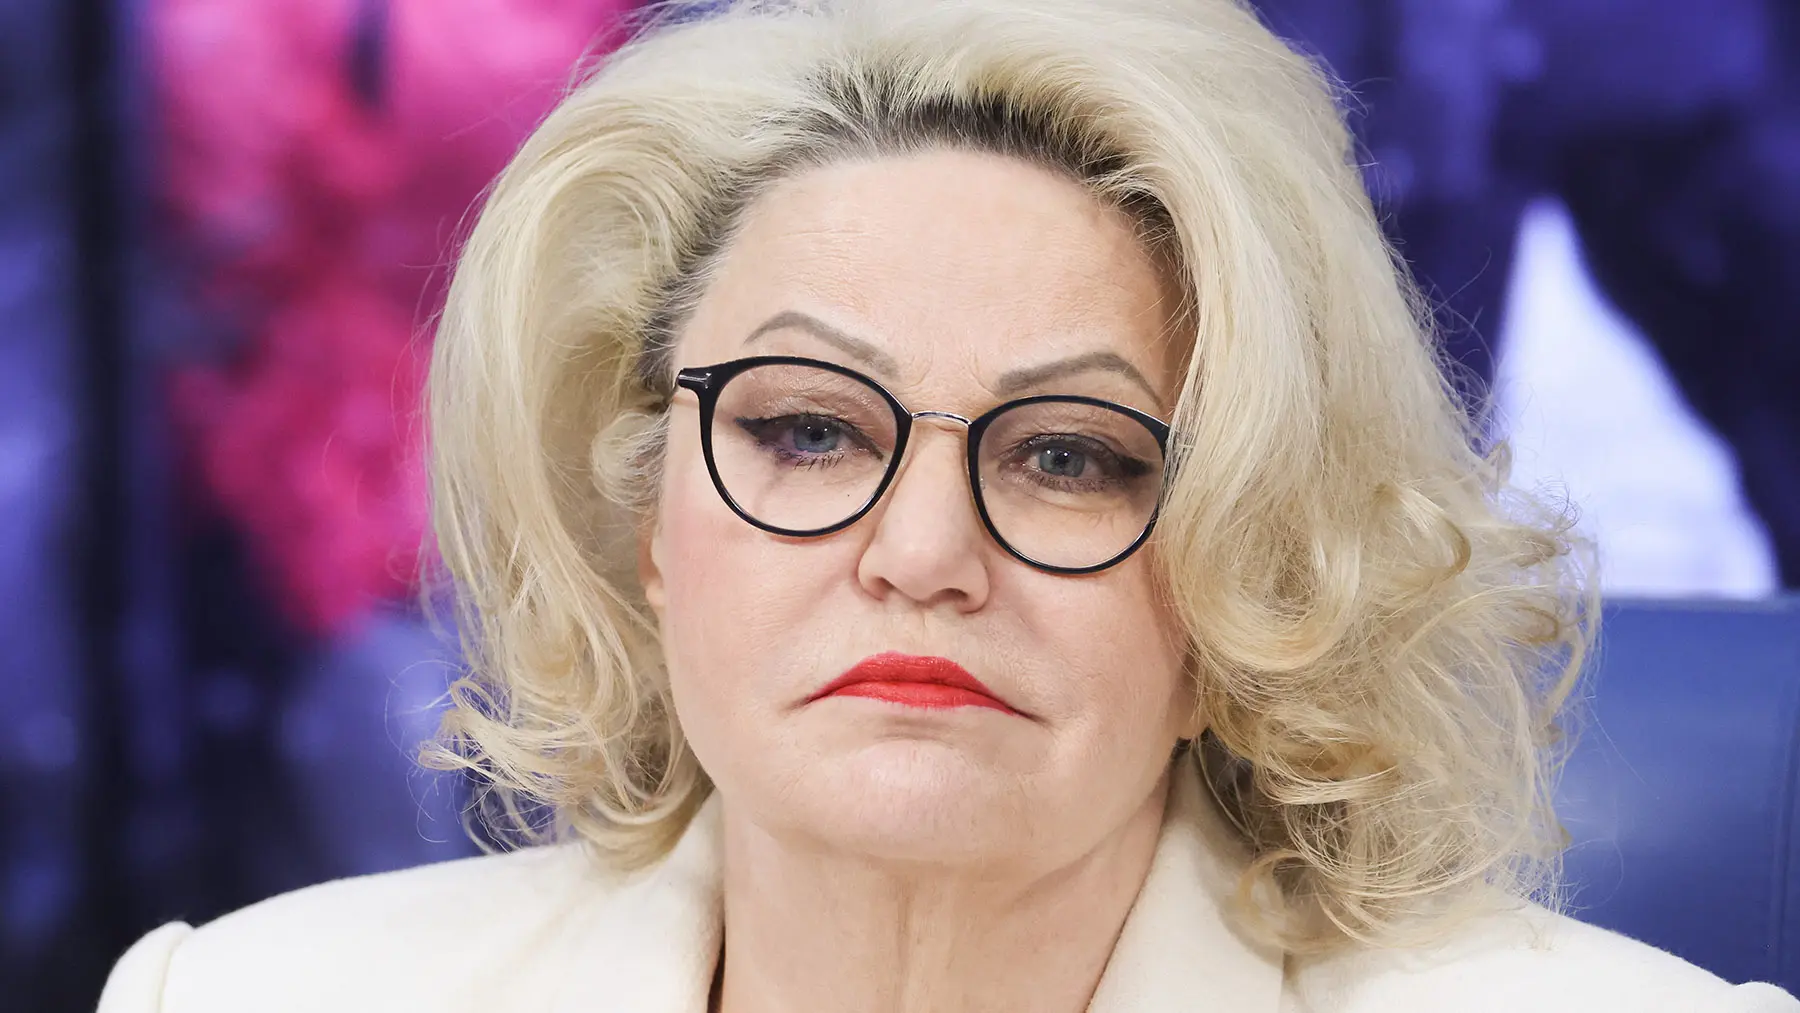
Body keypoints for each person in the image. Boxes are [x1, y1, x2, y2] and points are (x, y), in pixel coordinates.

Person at [96, 1, 1800, 1010]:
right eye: (807, 431)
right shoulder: (237, 1000)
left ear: (1248, 584)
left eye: (1071, 456)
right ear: (647, 528)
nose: (922, 556)